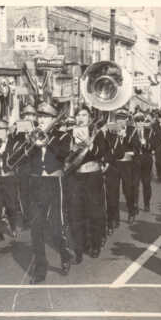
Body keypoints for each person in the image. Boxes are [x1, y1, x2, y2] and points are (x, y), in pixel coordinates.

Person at [14, 102, 73, 283]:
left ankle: (65, 254)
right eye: (40, 116)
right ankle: (41, 269)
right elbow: (15, 160)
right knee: (36, 228)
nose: (41, 120)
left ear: (53, 119)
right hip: (36, 183)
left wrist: (48, 142)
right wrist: (28, 143)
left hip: (55, 183)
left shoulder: (62, 136)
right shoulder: (29, 137)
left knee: (56, 227)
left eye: (46, 117)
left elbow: (64, 155)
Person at [66, 106, 109, 264]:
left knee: (94, 212)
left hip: (92, 176)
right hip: (75, 177)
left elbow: (102, 152)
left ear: (90, 118)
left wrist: (89, 145)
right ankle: (79, 248)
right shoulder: (69, 133)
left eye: (84, 115)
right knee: (76, 213)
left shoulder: (96, 134)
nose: (80, 118)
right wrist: (71, 148)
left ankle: (95, 244)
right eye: (78, 115)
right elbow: (63, 156)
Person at [135, 113, 155, 212]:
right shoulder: (132, 132)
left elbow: (153, 146)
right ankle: (135, 205)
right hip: (135, 161)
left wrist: (145, 144)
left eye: (141, 121)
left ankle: (147, 204)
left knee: (146, 184)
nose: (139, 123)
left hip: (146, 160)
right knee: (135, 184)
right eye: (137, 121)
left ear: (144, 122)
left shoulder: (149, 131)